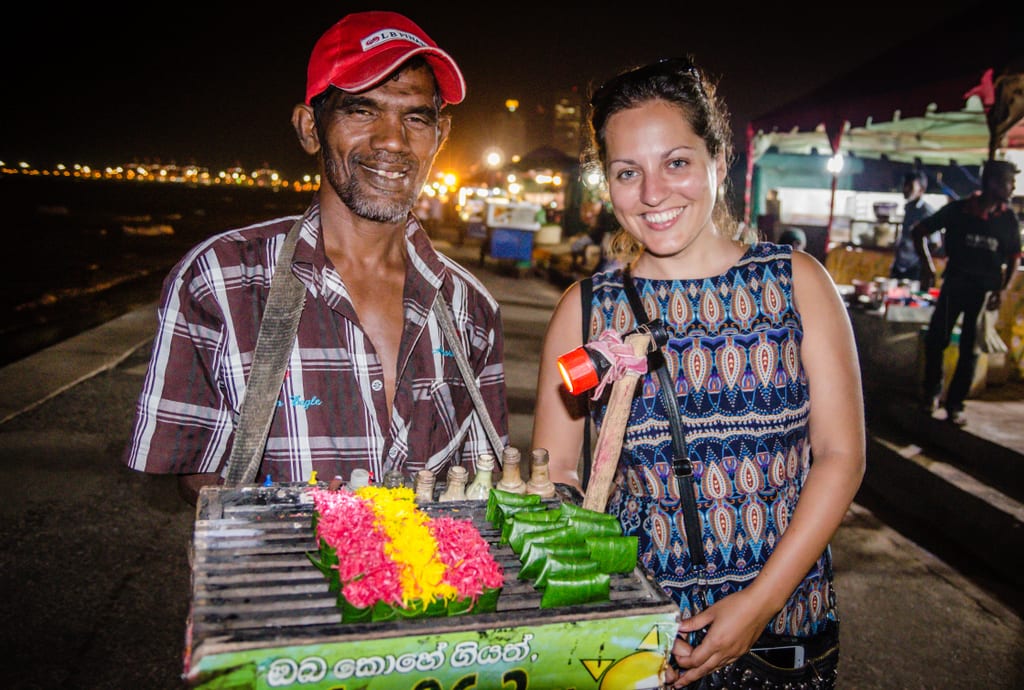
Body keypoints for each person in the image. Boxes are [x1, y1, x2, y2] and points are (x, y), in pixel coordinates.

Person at [531, 57, 865, 688]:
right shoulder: (584, 309)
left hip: (783, 631)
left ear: (716, 159)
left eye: (676, 162)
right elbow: (558, 472)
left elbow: (842, 455)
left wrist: (758, 603)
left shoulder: (798, 283)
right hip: (637, 638)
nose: (653, 194)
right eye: (628, 173)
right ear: (608, 182)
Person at [123, 11, 508, 503]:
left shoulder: (471, 307)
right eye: (361, 111)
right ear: (310, 128)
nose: (393, 139)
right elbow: (196, 477)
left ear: (441, 136)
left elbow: (485, 483)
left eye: (415, 116)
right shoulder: (221, 280)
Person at [913, 158, 1021, 425]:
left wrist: (1003, 289)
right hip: (954, 286)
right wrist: (927, 264)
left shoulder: (1007, 219)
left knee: (970, 351)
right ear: (992, 183)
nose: (1013, 186)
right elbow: (919, 231)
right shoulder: (958, 211)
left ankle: (955, 405)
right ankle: (930, 395)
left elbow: (1014, 256)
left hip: (983, 294)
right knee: (936, 340)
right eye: (1009, 181)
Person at [889, 170, 939, 281]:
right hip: (900, 264)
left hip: (914, 267)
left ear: (921, 190)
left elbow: (935, 243)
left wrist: (920, 258)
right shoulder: (908, 208)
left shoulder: (926, 212)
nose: (905, 189)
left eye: (910, 186)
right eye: (904, 185)